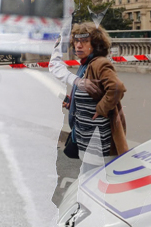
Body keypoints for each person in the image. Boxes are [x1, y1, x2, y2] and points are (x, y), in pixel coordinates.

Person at [49, 23, 127, 161]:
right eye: (77, 41)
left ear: (96, 45)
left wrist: (101, 108)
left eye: (84, 42)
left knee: (96, 178)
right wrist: (73, 102)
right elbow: (91, 95)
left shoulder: (99, 63)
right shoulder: (85, 65)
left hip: (97, 141)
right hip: (86, 137)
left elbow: (117, 87)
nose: (78, 45)